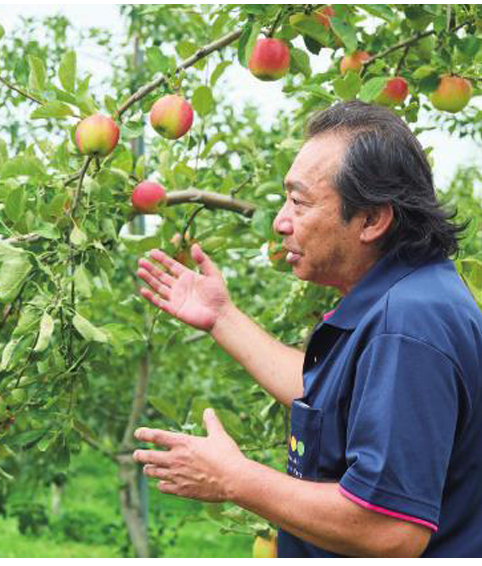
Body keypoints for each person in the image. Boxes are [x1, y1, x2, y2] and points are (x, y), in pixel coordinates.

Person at [133, 101, 482, 557]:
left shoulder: (408, 324)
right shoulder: (404, 297)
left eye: (299, 202)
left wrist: (234, 479)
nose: (280, 222)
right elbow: (333, 398)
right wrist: (222, 317)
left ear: (372, 219)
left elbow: (390, 530)